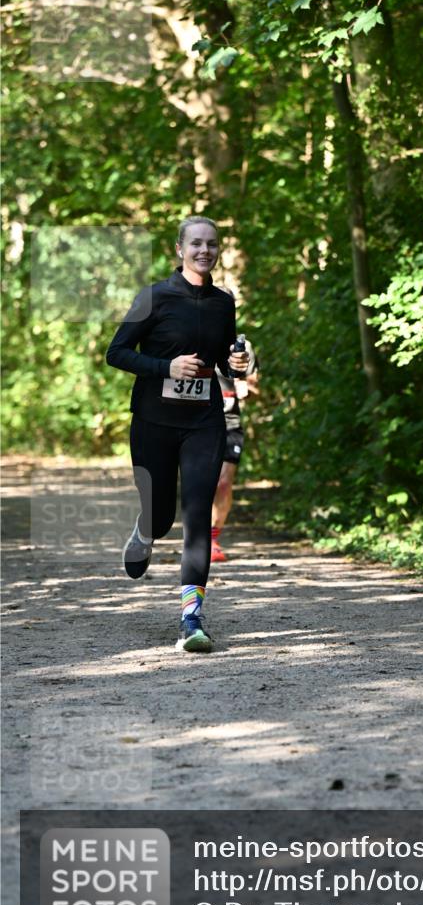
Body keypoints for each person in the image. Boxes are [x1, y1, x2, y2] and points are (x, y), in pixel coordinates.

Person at [106, 215, 249, 653]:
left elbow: (224, 359)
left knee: (197, 513)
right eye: (196, 243)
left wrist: (237, 365)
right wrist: (165, 367)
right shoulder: (154, 297)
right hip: (154, 421)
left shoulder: (223, 302)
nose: (204, 251)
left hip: (204, 421)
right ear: (180, 249)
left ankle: (192, 619)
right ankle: (146, 529)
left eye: (212, 244)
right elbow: (117, 353)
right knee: (162, 513)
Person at [211, 340, 259, 562]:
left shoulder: (242, 345)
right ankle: (196, 535)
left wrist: (245, 389)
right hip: (196, 422)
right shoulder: (191, 336)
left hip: (230, 423)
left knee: (223, 483)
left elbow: (254, 388)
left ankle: (212, 539)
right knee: (202, 483)